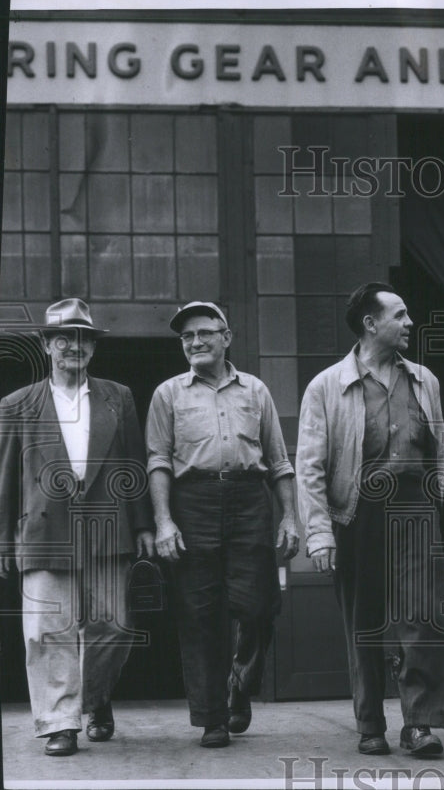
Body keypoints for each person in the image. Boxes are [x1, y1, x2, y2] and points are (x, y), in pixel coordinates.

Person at [296, 282, 444, 757]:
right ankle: (370, 723)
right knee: (363, 621)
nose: (410, 324)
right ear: (371, 324)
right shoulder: (326, 385)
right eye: (400, 315)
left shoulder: (425, 379)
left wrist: (437, 497)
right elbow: (309, 465)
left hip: (414, 508)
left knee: (422, 617)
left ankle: (419, 724)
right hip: (358, 509)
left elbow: (439, 447)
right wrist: (321, 533)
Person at [0, 299, 154, 756]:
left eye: (84, 338)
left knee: (116, 625)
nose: (75, 346)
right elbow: (5, 477)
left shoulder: (118, 396)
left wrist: (144, 523)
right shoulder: (17, 405)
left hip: (110, 529)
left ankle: (93, 699)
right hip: (44, 532)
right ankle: (59, 723)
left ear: (93, 347)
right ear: (48, 345)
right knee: (49, 630)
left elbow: (134, 465)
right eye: (64, 337)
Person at [145, 301, 298, 748]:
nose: (195, 342)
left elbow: (279, 460)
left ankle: (240, 683)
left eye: (204, 333)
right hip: (192, 503)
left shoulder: (255, 390)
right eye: (187, 337)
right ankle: (212, 716)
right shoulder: (168, 393)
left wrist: (290, 514)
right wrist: (164, 521)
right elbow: (158, 461)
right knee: (200, 615)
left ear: (226, 337)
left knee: (259, 606)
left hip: (251, 499)